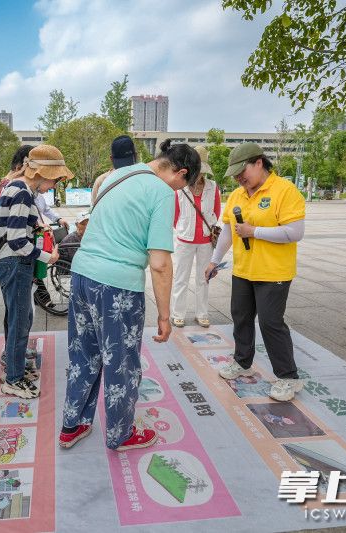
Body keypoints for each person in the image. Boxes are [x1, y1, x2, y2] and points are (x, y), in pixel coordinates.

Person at [59, 139, 200, 451]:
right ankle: (121, 433)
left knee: (83, 356)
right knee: (120, 362)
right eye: (182, 187)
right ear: (181, 174)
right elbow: (161, 264)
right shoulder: (162, 192)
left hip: (81, 276)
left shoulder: (114, 177)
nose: (178, 192)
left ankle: (72, 425)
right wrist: (164, 315)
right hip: (116, 287)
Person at [205, 143, 306, 402]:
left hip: (274, 272)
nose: (240, 178)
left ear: (259, 163)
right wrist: (215, 260)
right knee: (241, 317)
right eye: (236, 174)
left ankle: (288, 377)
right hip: (244, 269)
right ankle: (242, 361)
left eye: (243, 171)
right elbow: (228, 231)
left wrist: (254, 232)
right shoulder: (238, 195)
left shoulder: (285, 190)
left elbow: (295, 232)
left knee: (271, 323)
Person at [0, 145, 67, 399]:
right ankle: (13, 379)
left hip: (12, 263)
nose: (53, 185)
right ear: (43, 172)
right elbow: (16, 240)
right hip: (15, 263)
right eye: (54, 179)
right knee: (19, 323)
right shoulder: (23, 191)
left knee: (19, 319)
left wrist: (36, 224)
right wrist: (49, 257)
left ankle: (13, 370)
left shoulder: (16, 186)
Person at [170, 145, 222, 328]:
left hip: (206, 240)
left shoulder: (213, 187)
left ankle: (202, 313)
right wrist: (184, 228)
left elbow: (217, 211)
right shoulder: (180, 189)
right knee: (181, 278)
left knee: (203, 278)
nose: (199, 174)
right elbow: (174, 216)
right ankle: (178, 313)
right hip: (185, 239)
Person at [90, 134, 138, 204]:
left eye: (127, 163)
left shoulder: (101, 180)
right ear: (135, 156)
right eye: (121, 163)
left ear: (111, 159)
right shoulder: (100, 181)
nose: (124, 167)